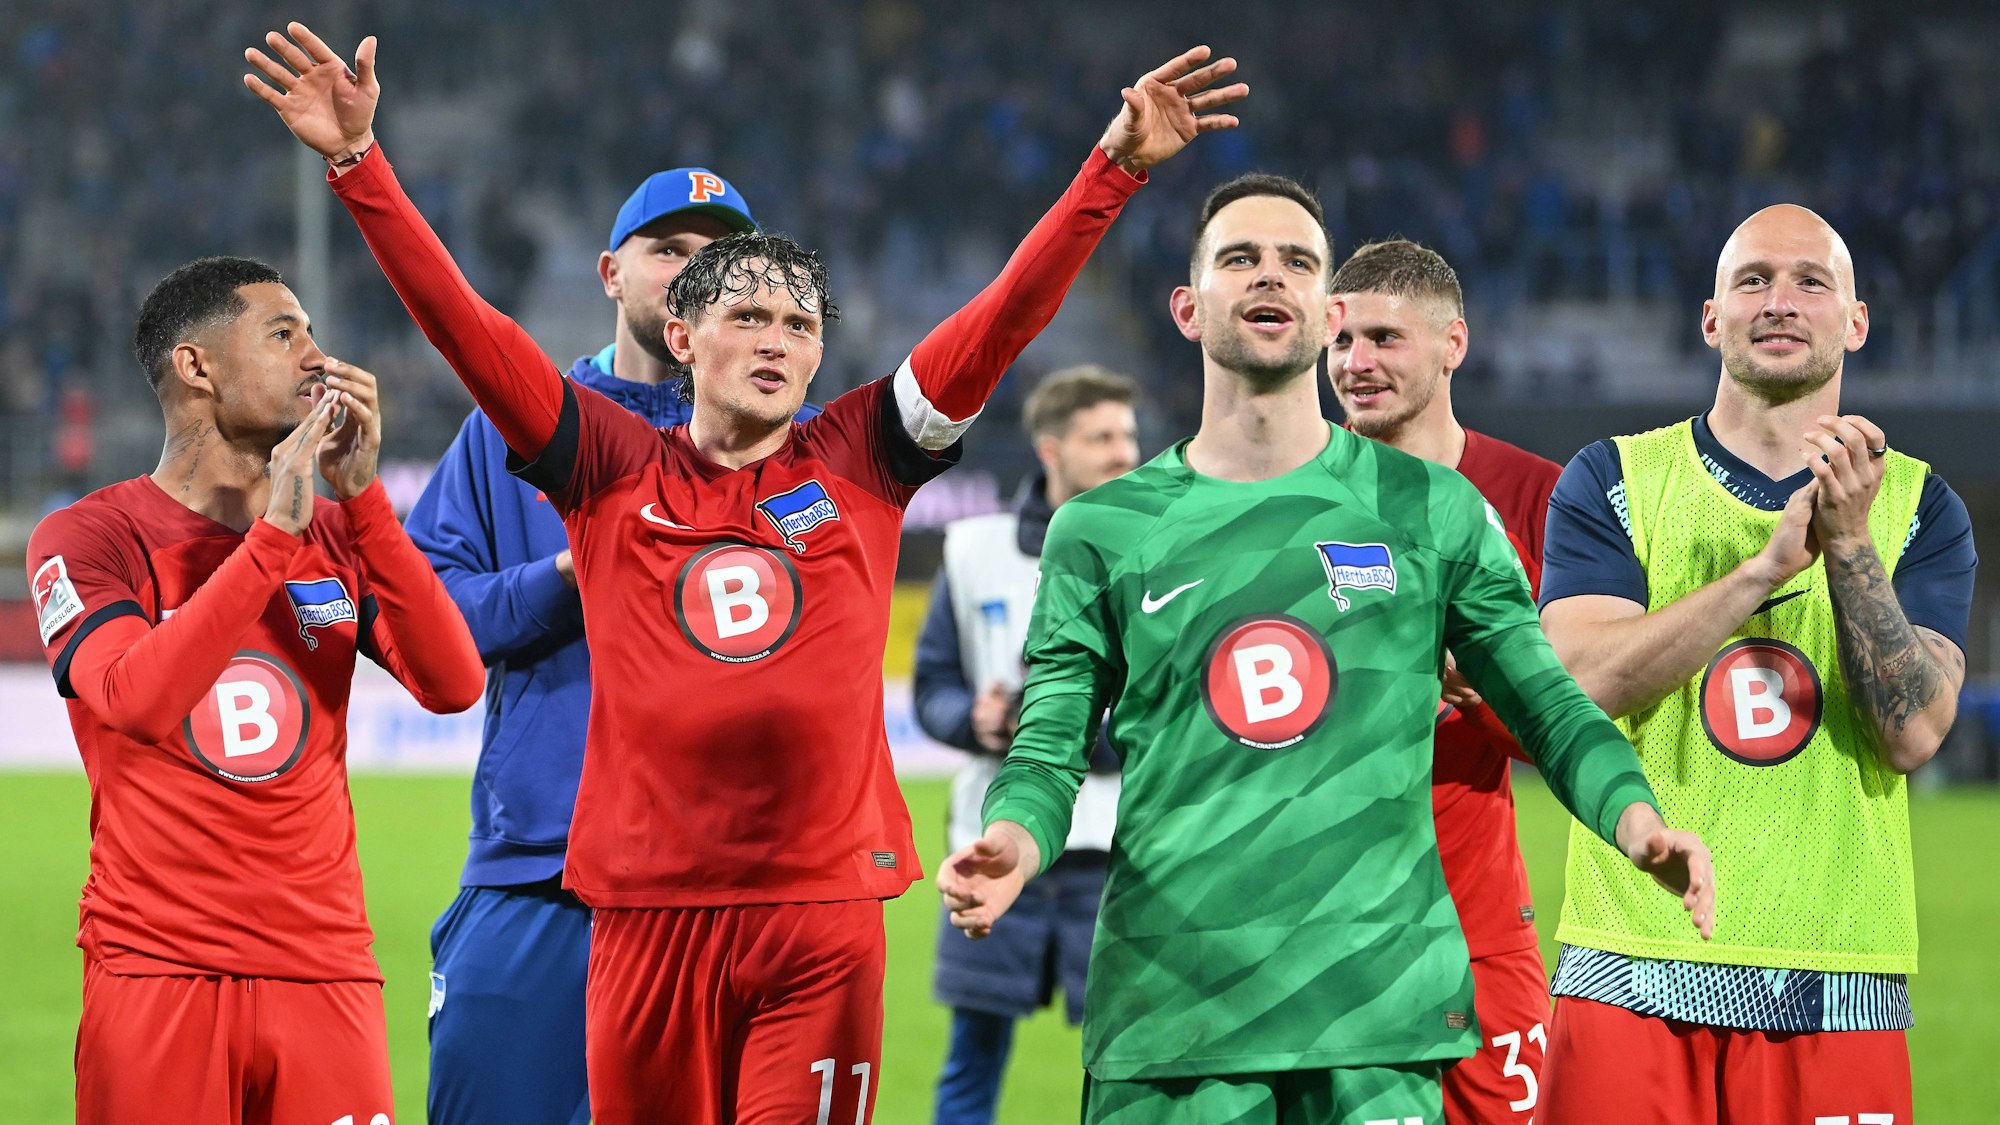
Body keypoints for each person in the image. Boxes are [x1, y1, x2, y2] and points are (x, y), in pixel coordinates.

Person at [246, 21, 1245, 1124]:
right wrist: (357, 166)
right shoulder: (606, 466)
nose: (778, 338)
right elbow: (463, 328)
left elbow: (1004, 317)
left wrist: (1112, 170)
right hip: (642, 910)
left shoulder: (861, 455)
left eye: (799, 322)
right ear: (683, 336)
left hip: (817, 912)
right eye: (747, 315)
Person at [941, 173, 1714, 1125]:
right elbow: (1049, 745)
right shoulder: (1102, 528)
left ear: (1326, 309)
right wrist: (1014, 843)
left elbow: (1550, 707)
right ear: (1188, 307)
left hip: (1375, 1024)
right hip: (1171, 1019)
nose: (1269, 275)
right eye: (1239, 258)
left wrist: (1636, 818)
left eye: (1296, 261)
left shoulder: (1431, 510)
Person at [1534, 204, 1976, 1124]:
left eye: (1811, 281)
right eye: (1753, 280)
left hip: (1838, 976)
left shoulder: (1923, 505)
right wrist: (1764, 572)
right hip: (1632, 964)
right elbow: (1577, 688)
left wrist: (1850, 544)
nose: (1781, 301)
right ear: (1710, 319)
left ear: (1855, 322)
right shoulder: (1611, 480)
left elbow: (1915, 734)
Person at [24, 256, 484, 1125]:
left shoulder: (342, 533)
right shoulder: (89, 536)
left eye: (313, 332)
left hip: (326, 971)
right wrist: (275, 537)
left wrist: (366, 506)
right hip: (159, 970)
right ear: (195, 367)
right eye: (284, 333)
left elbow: (454, 683)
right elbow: (135, 699)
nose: (319, 356)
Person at [405, 161, 806, 1125]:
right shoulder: (512, 429)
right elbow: (419, 619)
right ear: (609, 274)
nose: (691, 271)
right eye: (666, 250)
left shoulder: (784, 451)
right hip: (537, 871)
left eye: (719, 260)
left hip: (717, 892)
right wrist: (565, 582)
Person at [1327, 238, 1562, 1124]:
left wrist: (1477, 684)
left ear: (1453, 344)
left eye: (1385, 338)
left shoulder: (1538, 497)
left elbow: (1579, 726)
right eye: (1340, 341)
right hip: (1320, 930)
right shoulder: (1278, 500)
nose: (1358, 363)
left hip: (1478, 929)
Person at [914, 365, 1139, 1124]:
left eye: (1128, 435)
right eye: (1101, 436)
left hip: (1115, 849)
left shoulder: (1157, 545)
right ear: (1050, 447)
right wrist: (974, 719)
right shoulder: (970, 548)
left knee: (1133, 1063)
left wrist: (1085, 737)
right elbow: (933, 687)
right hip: (993, 840)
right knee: (971, 1060)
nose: (1122, 452)